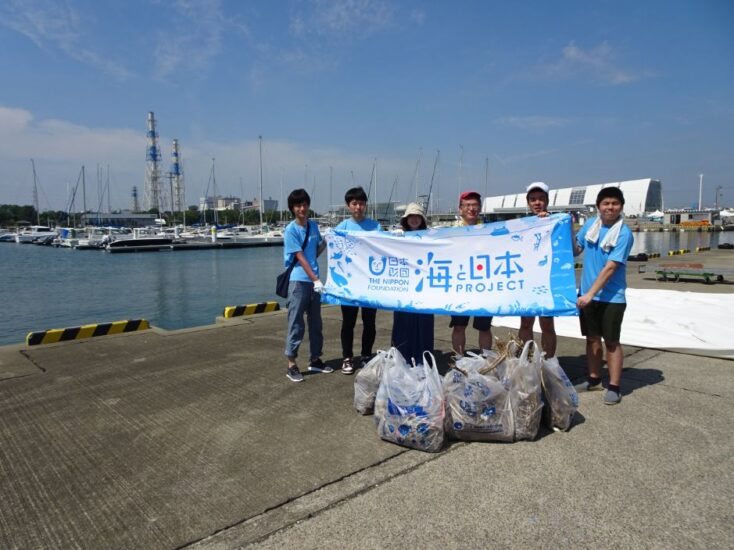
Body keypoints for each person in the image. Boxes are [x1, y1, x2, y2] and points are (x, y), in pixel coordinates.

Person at [573, 187, 634, 405]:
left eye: (615, 203)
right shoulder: (591, 225)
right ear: (598, 206)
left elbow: (610, 268)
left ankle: (615, 386)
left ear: (621, 207)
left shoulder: (624, 233)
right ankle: (593, 378)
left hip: (611, 297)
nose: (610, 207)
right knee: (591, 339)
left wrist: (589, 293)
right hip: (588, 295)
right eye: (606, 203)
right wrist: (568, 230)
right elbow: (575, 249)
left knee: (611, 341)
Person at [282, 188, 332, 382]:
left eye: (304, 204)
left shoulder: (313, 226)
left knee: (316, 323)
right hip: (299, 282)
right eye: (298, 205)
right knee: (296, 323)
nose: (302, 208)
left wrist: (328, 241)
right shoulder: (291, 230)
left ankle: (315, 359)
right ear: (292, 209)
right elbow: (300, 258)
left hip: (314, 282)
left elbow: (314, 252)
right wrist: (315, 279)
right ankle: (291, 364)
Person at [335, 186, 382, 374]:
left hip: (370, 284)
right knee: (348, 322)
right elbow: (331, 250)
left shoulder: (375, 227)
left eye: (361, 203)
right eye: (354, 203)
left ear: (366, 205)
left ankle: (366, 355)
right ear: (348, 206)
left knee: (369, 322)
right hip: (349, 285)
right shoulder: (341, 228)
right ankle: (347, 357)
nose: (358, 207)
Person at [450, 190, 492, 356]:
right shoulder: (450, 233)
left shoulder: (489, 230)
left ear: (480, 208)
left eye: (475, 205)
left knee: (484, 327)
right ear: (460, 209)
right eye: (467, 205)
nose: (471, 208)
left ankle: (487, 362)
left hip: (484, 285)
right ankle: (458, 361)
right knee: (459, 326)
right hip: (460, 285)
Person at [518, 182, 558, 357]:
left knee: (547, 324)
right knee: (526, 323)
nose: (537, 203)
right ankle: (527, 359)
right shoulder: (521, 225)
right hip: (527, 281)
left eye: (541, 199)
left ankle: (548, 360)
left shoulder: (556, 222)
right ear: (528, 203)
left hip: (547, 280)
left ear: (547, 201)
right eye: (533, 199)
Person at [391, 203, 434, 365]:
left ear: (422, 219)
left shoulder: (430, 237)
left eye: (417, 216)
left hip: (425, 288)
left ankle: (424, 358)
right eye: (411, 217)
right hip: (403, 287)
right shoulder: (399, 237)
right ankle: (402, 358)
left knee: (424, 324)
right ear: (406, 219)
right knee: (402, 323)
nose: (414, 219)